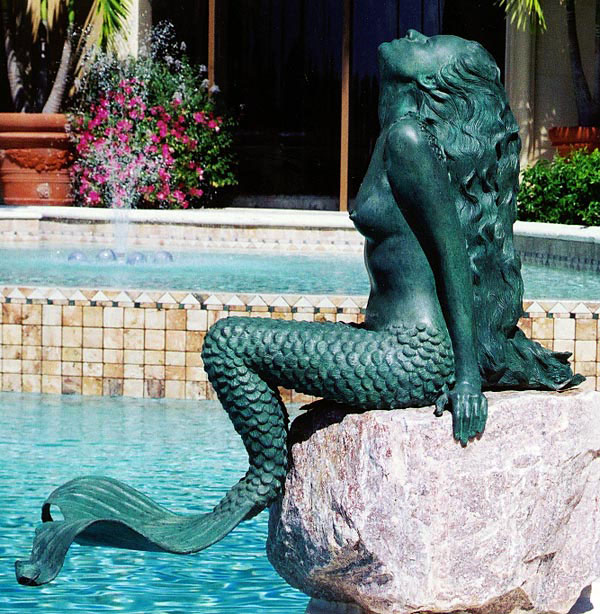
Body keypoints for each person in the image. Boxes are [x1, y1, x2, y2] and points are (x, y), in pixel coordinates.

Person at [15, 31, 581, 587]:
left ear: (436, 83)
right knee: (249, 342)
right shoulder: (401, 135)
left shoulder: (410, 140)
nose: (412, 32)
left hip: (411, 355)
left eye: (429, 43)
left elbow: (454, 257)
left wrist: (467, 378)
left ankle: (266, 472)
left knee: (228, 343)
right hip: (394, 342)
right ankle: (266, 468)